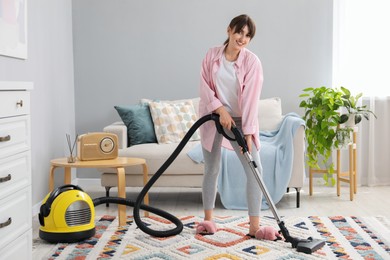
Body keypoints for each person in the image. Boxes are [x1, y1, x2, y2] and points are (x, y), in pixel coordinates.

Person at [197, 14, 264, 238]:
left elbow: (252, 100)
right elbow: (205, 88)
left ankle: (254, 227)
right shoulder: (212, 55)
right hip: (212, 116)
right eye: (239, 32)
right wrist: (220, 110)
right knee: (212, 168)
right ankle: (208, 222)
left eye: (247, 35)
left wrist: (247, 132)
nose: (242, 38)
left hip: (241, 121)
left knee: (255, 171)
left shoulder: (252, 62)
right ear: (229, 30)